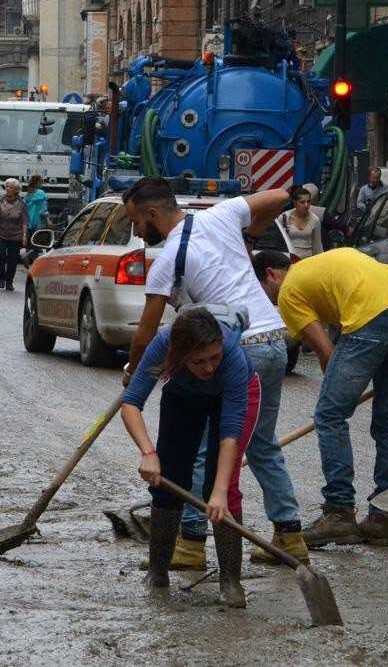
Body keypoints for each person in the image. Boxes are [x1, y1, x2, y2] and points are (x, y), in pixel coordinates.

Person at [123, 176, 305, 569]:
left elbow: (147, 330)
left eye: (137, 222)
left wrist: (133, 373)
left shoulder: (169, 258)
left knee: (207, 446)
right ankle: (289, 533)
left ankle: (190, 543)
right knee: (261, 443)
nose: (138, 231)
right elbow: (279, 196)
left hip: (236, 349)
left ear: (153, 214)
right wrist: (249, 237)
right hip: (274, 340)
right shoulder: (219, 215)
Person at [255, 248, 388, 548]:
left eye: (262, 289)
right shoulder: (345, 259)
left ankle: (339, 513)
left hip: (369, 323)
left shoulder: (289, 291)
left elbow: (327, 353)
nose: (268, 299)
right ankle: (381, 520)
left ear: (271, 274)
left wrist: (340, 379)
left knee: (329, 415)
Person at [122, 307, 260, 608]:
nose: (209, 367)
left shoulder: (233, 358)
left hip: (231, 397)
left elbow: (230, 433)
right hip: (183, 395)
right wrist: (148, 453)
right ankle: (158, 572)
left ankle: (231, 582)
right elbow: (131, 403)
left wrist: (219, 493)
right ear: (179, 354)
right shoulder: (163, 345)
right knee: (168, 478)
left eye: (214, 357)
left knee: (220, 487)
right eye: (198, 361)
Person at [0, 178, 27, 291]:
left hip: (15, 236)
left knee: (13, 259)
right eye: (6, 187)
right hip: (1, 234)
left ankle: (9, 281)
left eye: (10, 187)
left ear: (16, 190)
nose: (7, 189)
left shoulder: (21, 204)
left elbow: (24, 221)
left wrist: (24, 236)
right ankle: (1, 278)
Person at [277, 185, 323, 258]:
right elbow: (278, 242)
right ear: (295, 203)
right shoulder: (283, 218)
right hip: (289, 259)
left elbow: (317, 246)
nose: (306, 205)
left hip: (307, 260)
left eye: (308, 201)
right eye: (302, 202)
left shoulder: (315, 220)